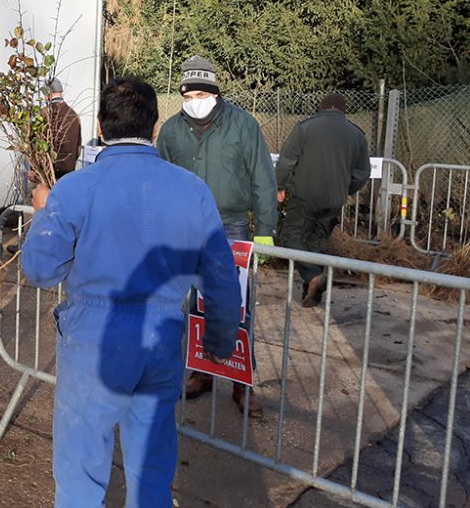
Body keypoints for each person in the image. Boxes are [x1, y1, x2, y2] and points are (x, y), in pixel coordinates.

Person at [21, 77, 242, 508]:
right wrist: (220, 343)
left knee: (81, 480)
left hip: (92, 344)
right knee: (150, 477)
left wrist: (43, 214)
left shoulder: (75, 190)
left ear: (100, 128)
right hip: (161, 341)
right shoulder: (192, 190)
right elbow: (221, 278)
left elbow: (39, 269)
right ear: (155, 126)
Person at [156, 55, 277, 418]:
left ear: (214, 93)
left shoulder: (243, 125)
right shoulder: (172, 131)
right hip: (183, 227)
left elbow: (262, 179)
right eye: (188, 95)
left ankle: (243, 385)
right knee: (192, 305)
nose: (195, 101)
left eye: (201, 94)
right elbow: (158, 178)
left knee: (235, 307)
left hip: (231, 227)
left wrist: (266, 231)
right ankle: (202, 373)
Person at [276, 92, 371, 307]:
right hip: (334, 201)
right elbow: (362, 172)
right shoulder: (357, 135)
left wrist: (279, 185)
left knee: (292, 239)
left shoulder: (305, 127)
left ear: (321, 107)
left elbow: (287, 161)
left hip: (304, 196)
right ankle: (311, 293)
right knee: (315, 244)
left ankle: (313, 276)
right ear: (342, 110)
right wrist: (347, 188)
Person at [46, 77, 82, 179]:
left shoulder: (45, 114)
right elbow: (78, 149)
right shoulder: (74, 115)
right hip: (68, 174)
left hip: (48, 174)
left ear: (48, 93)